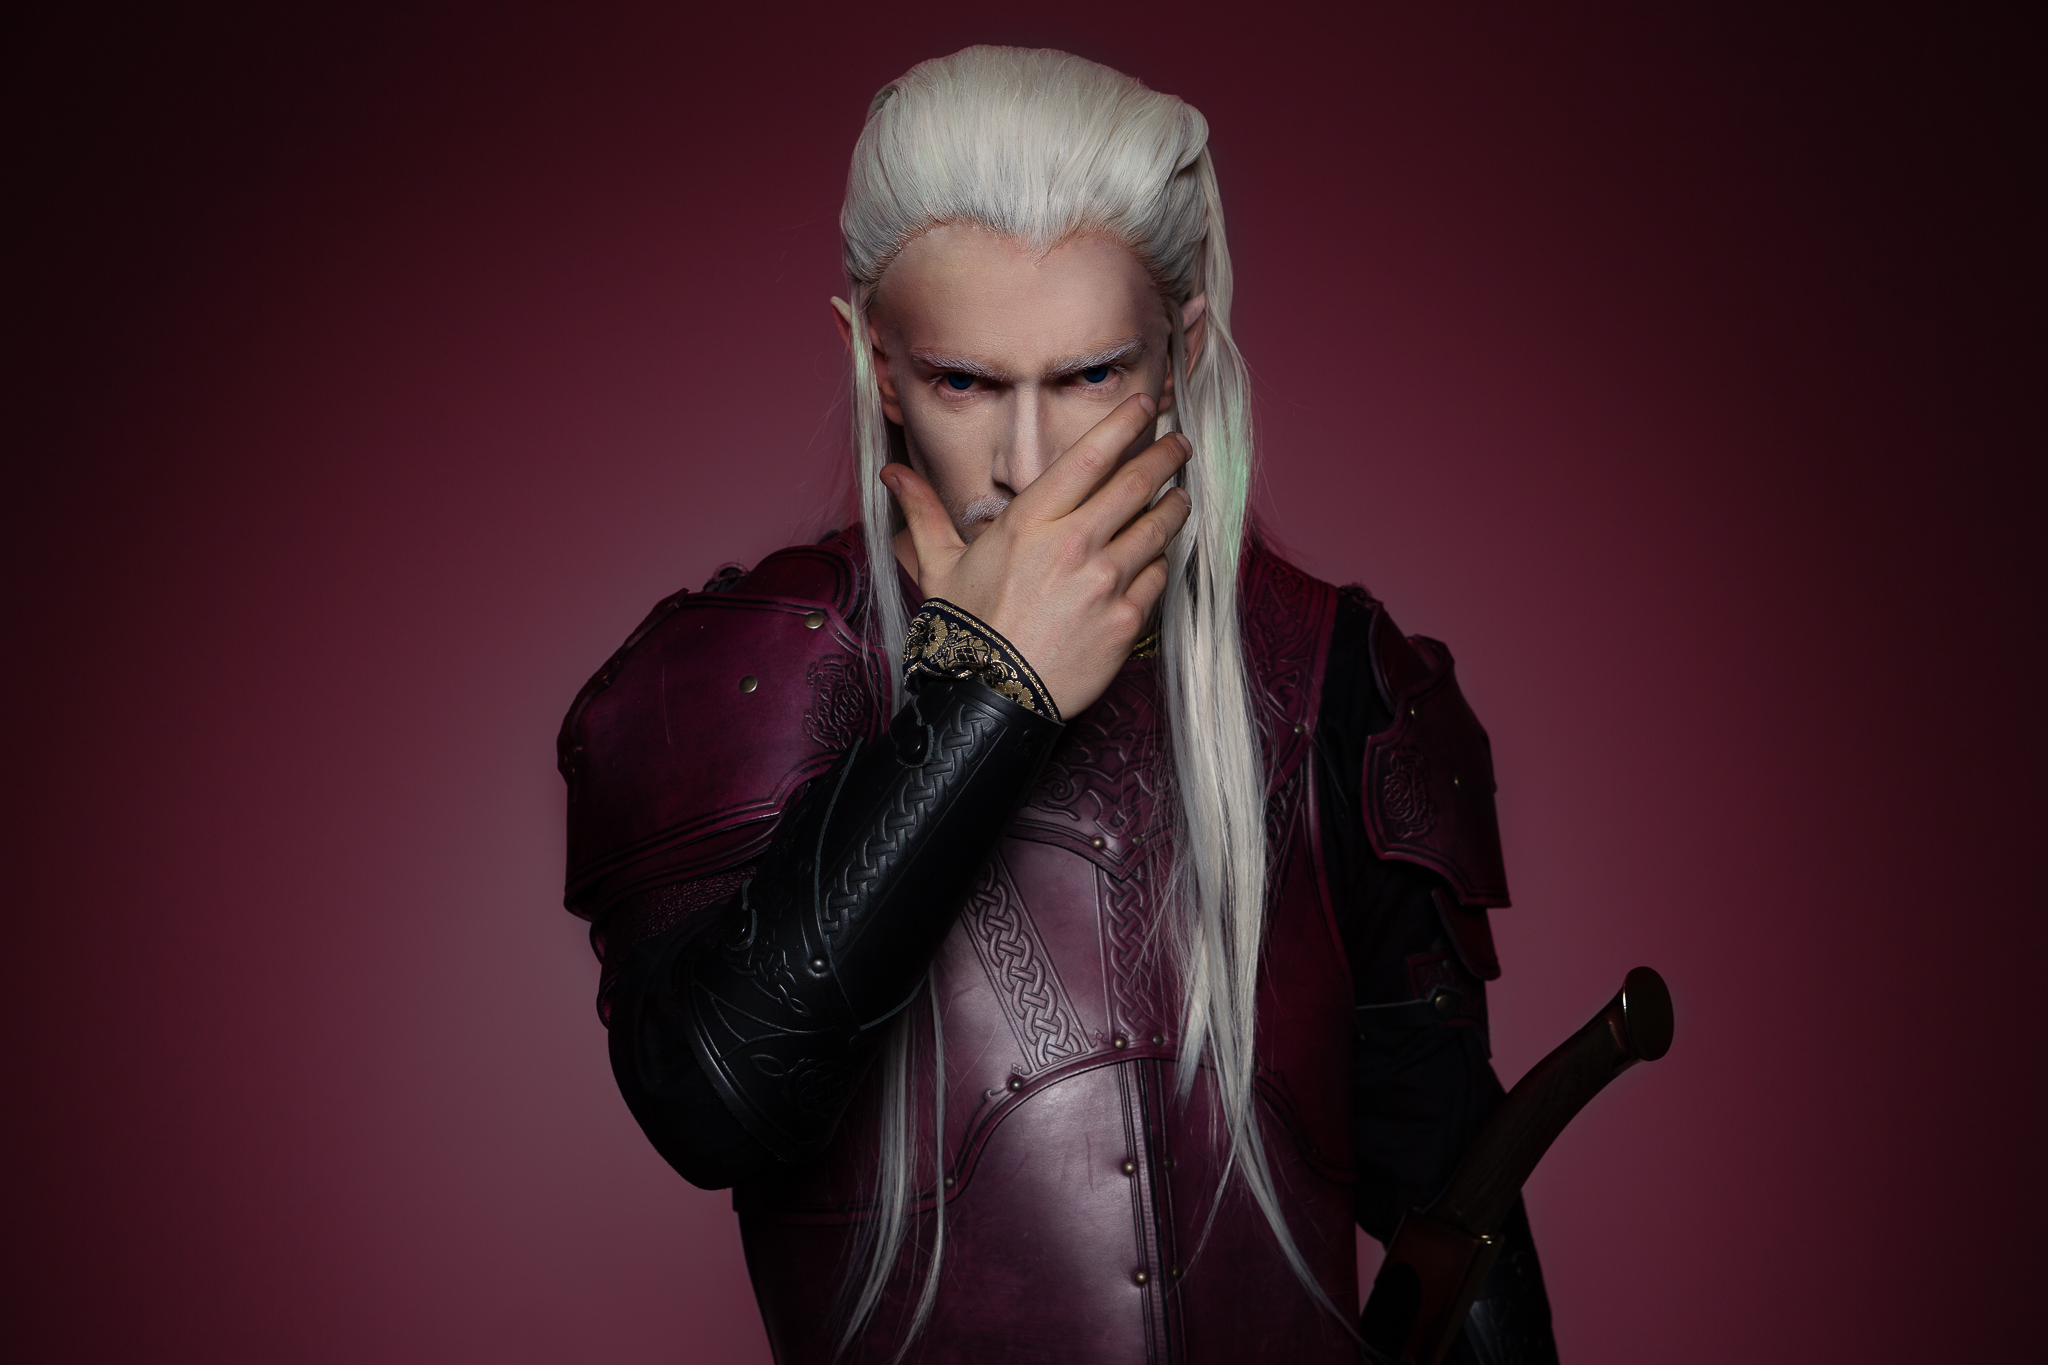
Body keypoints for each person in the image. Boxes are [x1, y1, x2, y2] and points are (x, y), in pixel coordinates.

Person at [558, 46, 1559, 1364]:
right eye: (964, 381)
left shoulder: (1335, 673)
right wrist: (988, 687)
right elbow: (711, 1103)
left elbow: (1455, 1202)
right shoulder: (756, 671)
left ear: (1180, 352)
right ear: (876, 364)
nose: (1027, 466)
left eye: (1090, 375)